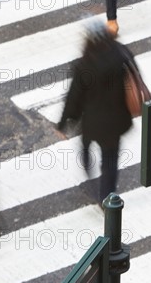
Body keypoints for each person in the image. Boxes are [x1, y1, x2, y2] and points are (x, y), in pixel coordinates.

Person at [57, 21, 134, 204]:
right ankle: (106, 197)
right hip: (115, 121)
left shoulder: (84, 64)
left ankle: (89, 176)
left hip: (91, 122)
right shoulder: (120, 54)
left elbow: (74, 97)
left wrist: (64, 123)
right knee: (110, 161)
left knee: (85, 147)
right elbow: (134, 78)